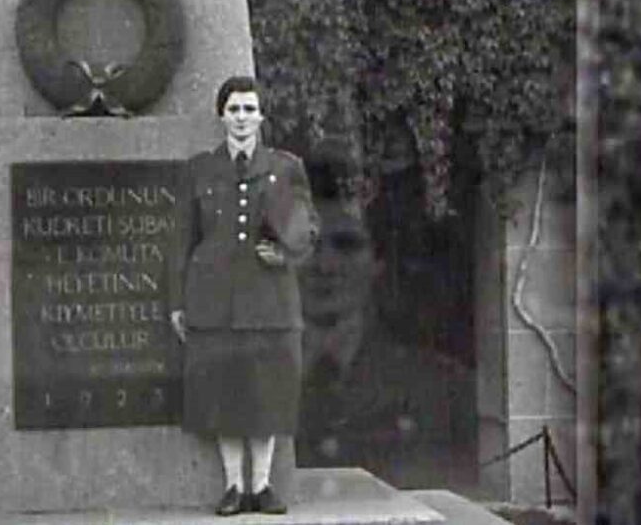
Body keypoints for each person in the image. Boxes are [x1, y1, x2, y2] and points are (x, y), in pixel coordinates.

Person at [169, 78, 317, 515]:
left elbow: (307, 228)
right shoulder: (198, 170)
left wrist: (285, 254)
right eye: (233, 109)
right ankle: (233, 486)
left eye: (250, 109)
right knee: (223, 393)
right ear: (221, 116)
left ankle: (263, 484)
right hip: (213, 303)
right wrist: (177, 302)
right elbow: (181, 241)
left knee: (266, 393)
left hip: (269, 300)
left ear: (261, 117)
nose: (241, 118)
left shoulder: (286, 167)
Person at [295, 153, 478, 492]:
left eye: (347, 245)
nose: (326, 265)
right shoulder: (249, 379)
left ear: (378, 261)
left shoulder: (441, 389)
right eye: (309, 243)